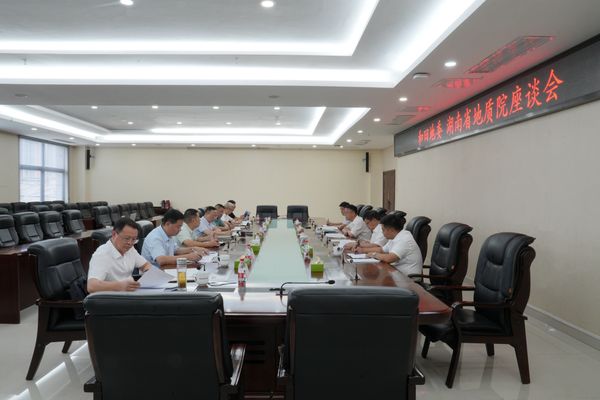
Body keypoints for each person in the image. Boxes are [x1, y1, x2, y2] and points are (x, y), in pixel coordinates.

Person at [87, 217, 152, 293]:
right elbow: (92, 286)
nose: (130, 243)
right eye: (127, 238)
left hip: (131, 293)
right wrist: (120, 286)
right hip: (115, 297)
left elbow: (145, 265)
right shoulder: (102, 254)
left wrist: (148, 273)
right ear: (114, 234)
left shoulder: (130, 249)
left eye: (134, 239)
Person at [142, 208, 207, 268]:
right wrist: (188, 257)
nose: (180, 229)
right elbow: (161, 260)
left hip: (167, 268)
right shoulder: (155, 237)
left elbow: (176, 250)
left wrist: (193, 249)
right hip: (154, 273)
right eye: (178, 227)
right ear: (168, 224)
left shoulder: (169, 234)